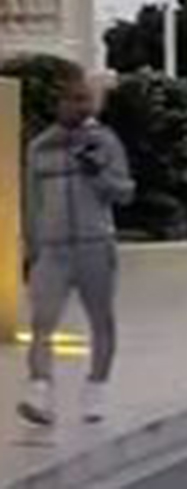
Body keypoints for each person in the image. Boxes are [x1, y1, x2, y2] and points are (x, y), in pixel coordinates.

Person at [19, 70, 135, 426]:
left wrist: (97, 173)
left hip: (94, 245)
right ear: (59, 102)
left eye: (85, 100)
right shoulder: (40, 146)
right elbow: (31, 202)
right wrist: (32, 247)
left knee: (101, 320)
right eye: (72, 99)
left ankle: (96, 389)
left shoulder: (106, 142)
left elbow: (125, 192)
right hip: (53, 249)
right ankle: (39, 392)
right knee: (42, 322)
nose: (79, 106)